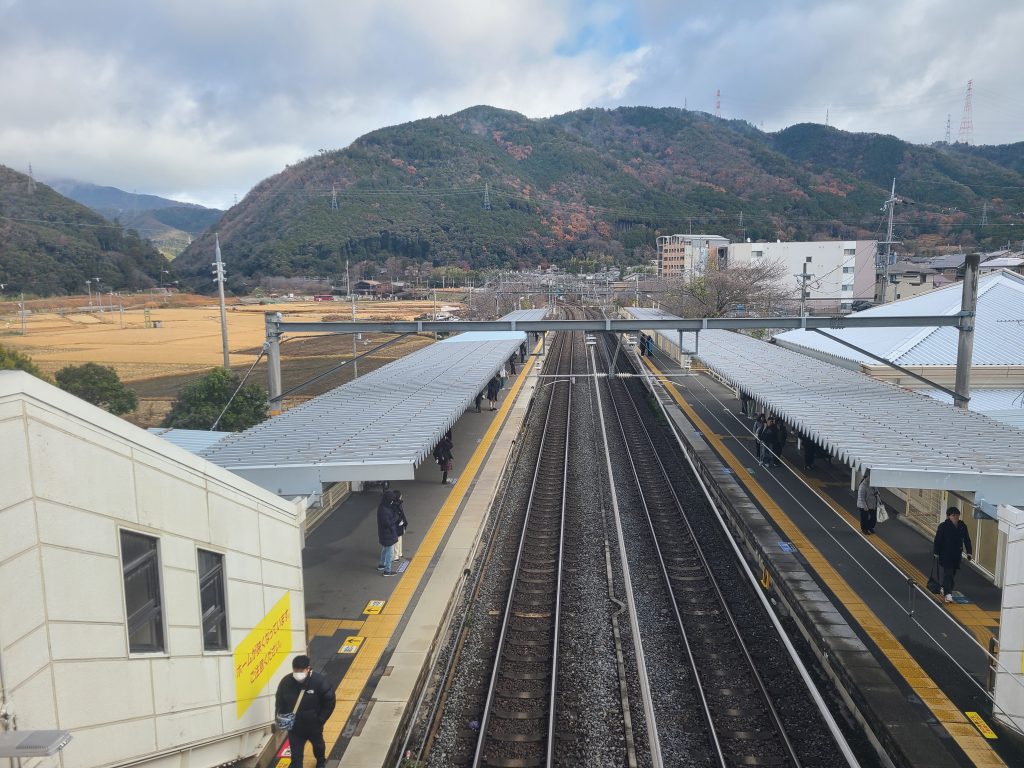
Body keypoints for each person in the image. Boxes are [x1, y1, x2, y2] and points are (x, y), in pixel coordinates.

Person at [274, 655, 336, 768]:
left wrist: (320, 719)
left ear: (308, 669)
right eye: (295, 670)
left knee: (318, 746)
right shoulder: (286, 682)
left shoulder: (319, 682)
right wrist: (280, 717)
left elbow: (329, 702)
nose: (298, 673)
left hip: (314, 725)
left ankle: (320, 761)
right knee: (296, 757)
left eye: (301, 670)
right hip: (294, 727)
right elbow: (279, 702)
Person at [933, 507, 973, 603]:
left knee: (952, 574)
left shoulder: (962, 526)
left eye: (957, 515)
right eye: (953, 515)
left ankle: (944, 587)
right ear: (948, 516)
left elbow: (967, 539)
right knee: (948, 573)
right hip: (945, 554)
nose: (956, 517)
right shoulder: (943, 526)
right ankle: (948, 594)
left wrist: (969, 552)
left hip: (956, 555)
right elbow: (938, 540)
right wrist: (936, 552)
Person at [377, 491, 400, 576]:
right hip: (388, 534)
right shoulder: (384, 510)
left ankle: (381, 564)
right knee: (390, 552)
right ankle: (387, 571)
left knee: (385, 549)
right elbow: (387, 523)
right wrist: (396, 517)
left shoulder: (382, 507)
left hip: (384, 533)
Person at [391, 489, 408, 561]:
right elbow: (401, 515)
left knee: (397, 539)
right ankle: (397, 555)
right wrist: (404, 522)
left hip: (398, 524)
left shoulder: (394, 504)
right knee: (398, 539)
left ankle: (397, 554)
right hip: (398, 524)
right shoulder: (398, 505)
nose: (402, 496)